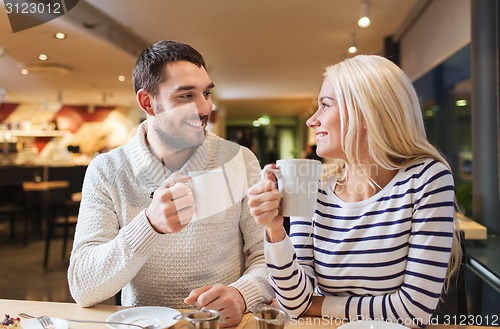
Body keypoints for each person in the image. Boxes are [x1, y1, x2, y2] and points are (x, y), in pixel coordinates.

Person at [68, 40, 274, 327]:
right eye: (186, 96)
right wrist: (149, 224)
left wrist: (241, 295)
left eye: (206, 93)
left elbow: (269, 259)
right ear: (147, 102)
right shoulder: (107, 171)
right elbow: (83, 287)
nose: (204, 109)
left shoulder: (240, 161)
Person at [247, 55, 462, 327]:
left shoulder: (426, 178)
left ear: (366, 112)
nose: (312, 121)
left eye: (325, 105)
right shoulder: (313, 186)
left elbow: (414, 310)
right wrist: (274, 229)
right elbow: (294, 301)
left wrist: (316, 304)